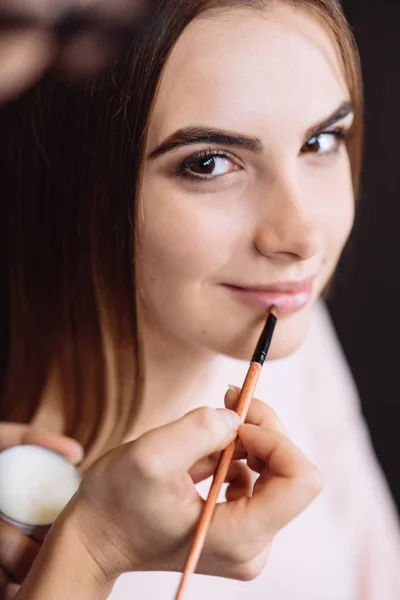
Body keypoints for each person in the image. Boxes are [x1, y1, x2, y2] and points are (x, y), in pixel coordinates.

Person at [0, 0, 399, 598]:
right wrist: (91, 550)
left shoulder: (285, 321)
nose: (302, 237)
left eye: (321, 140)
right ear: (79, 183)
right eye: (209, 163)